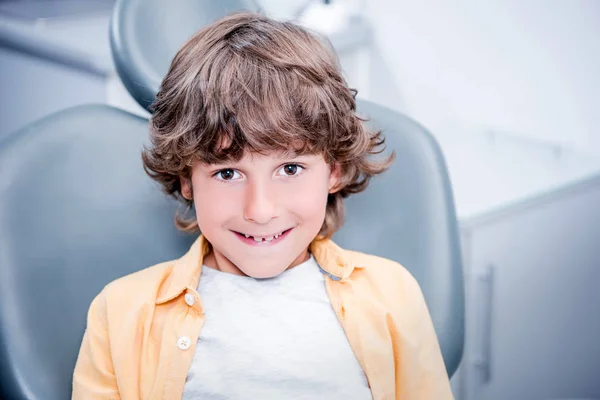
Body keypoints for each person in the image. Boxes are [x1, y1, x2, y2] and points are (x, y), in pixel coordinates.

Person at [72, 11, 453, 400]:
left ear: (334, 171)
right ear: (187, 179)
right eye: (227, 174)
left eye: (290, 168)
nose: (260, 210)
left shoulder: (392, 294)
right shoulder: (119, 313)